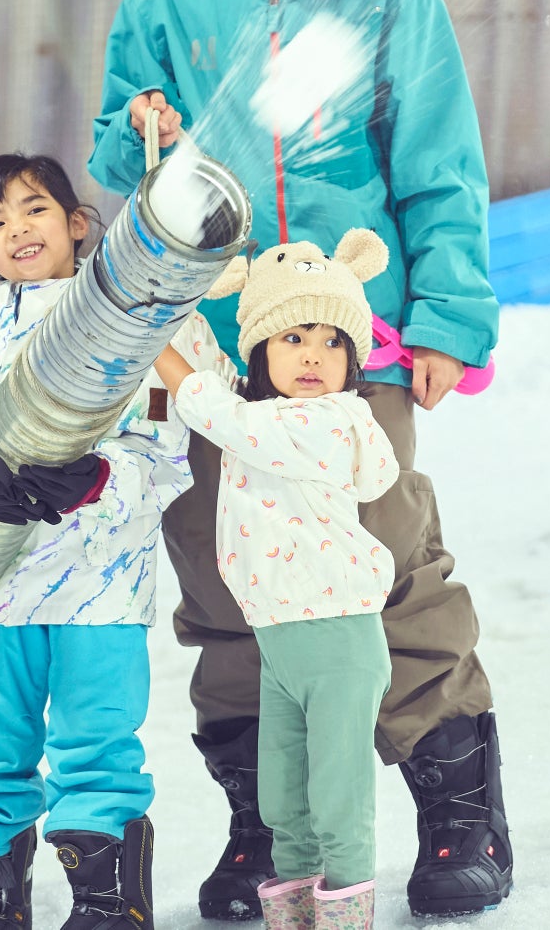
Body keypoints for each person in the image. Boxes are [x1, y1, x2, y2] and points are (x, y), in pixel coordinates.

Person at [88, 0, 513, 919]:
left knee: (385, 556)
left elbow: (440, 160)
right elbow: (116, 151)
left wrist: (448, 314)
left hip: (346, 338)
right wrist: (139, 124)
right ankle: (266, 827)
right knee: (227, 571)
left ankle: (459, 810)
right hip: (213, 344)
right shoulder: (169, 0)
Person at [0, 153, 225, 930]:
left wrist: (100, 477)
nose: (17, 229)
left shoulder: (137, 313)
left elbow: (170, 442)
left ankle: (108, 902)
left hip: (101, 586)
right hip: (2, 584)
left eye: (33, 208)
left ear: (76, 224)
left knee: (94, 740)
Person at [153, 229, 399, 930]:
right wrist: (168, 305)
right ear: (260, 349)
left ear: (353, 358)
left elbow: (214, 408)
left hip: (338, 638)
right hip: (281, 640)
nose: (313, 356)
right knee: (285, 803)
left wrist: (157, 346)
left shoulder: (331, 420)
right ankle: (293, 917)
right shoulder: (263, 414)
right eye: (293, 338)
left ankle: (346, 915)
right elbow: (212, 374)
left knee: (337, 798)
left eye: (331, 341)